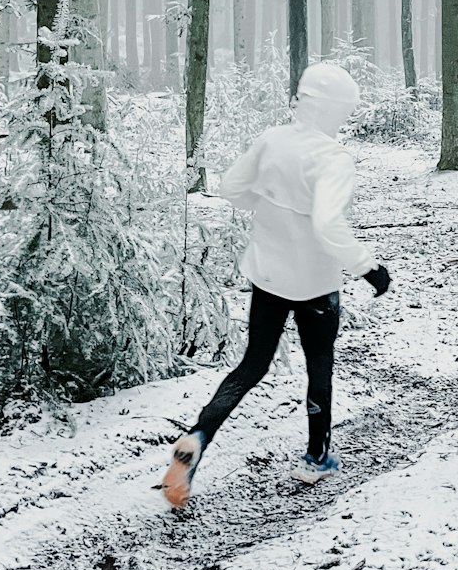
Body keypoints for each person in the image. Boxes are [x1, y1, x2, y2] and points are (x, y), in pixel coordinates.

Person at [162, 62, 391, 507]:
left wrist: (265, 206)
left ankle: (198, 437)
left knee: (252, 365)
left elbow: (232, 187)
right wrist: (369, 268)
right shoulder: (333, 158)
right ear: (336, 111)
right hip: (315, 284)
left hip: (267, 275)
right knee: (319, 365)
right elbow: (328, 224)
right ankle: (316, 458)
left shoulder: (273, 140)